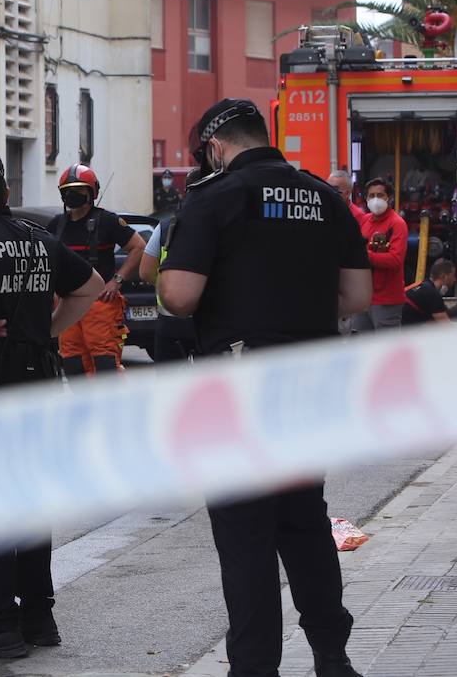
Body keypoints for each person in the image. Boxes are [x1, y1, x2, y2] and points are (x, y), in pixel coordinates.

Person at [159, 98, 371, 677]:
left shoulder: (212, 198)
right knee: (304, 522)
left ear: (217, 146)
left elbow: (178, 296)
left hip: (239, 391)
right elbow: (356, 299)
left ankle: (254, 667)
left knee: (246, 532)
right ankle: (332, 655)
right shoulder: (326, 198)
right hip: (311, 386)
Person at [0, 150, 103, 659]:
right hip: (40, 385)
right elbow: (92, 286)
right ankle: (38, 616)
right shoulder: (38, 237)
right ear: (6, 194)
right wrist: (44, 333)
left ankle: (0, 625)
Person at [47, 164, 145, 377]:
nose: (73, 195)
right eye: (68, 190)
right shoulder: (57, 224)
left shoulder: (107, 221)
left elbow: (139, 246)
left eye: (80, 190)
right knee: (72, 362)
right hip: (68, 304)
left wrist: (117, 280)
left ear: (92, 192)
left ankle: (111, 410)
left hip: (101, 303)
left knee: (105, 364)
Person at [139, 167, 204, 363]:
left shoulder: (166, 225)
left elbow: (145, 272)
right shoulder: (221, 223)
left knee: (169, 386)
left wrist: (171, 288)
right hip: (206, 321)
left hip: (170, 319)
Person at [351, 178, 407, 332]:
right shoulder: (364, 221)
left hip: (386, 300)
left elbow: (395, 260)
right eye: (371, 195)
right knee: (361, 349)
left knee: (386, 350)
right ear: (366, 198)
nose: (375, 199)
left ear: (389, 198)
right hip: (362, 298)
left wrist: (364, 255)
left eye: (380, 195)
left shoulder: (397, 224)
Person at [401, 258, 457, 326]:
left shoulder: (425, 287)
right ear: (444, 276)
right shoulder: (431, 294)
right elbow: (447, 327)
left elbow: (448, 315)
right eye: (453, 276)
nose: (455, 280)